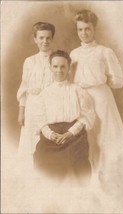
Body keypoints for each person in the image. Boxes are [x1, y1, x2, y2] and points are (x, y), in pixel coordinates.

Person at [70, 9, 123, 191]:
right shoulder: (74, 54)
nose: (84, 33)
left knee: (106, 137)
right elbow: (70, 80)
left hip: (102, 99)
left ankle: (113, 179)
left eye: (87, 29)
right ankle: (92, 180)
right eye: (80, 29)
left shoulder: (104, 52)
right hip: (82, 99)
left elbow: (118, 80)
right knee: (88, 138)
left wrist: (103, 83)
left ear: (94, 29)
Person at [33, 50, 95, 185]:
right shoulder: (45, 94)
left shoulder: (78, 91)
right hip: (51, 137)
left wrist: (70, 133)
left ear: (68, 68)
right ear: (50, 67)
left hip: (75, 136)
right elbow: (40, 119)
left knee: (79, 166)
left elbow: (87, 116)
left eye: (63, 66)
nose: (59, 70)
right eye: (55, 66)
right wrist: (50, 134)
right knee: (41, 162)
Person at [17, 22, 55, 167]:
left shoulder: (57, 59)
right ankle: (31, 176)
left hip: (51, 106)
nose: (45, 41)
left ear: (52, 39)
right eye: (41, 38)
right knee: (30, 141)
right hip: (32, 107)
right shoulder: (29, 61)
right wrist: (21, 111)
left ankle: (48, 175)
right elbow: (24, 88)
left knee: (48, 139)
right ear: (35, 39)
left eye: (48, 38)